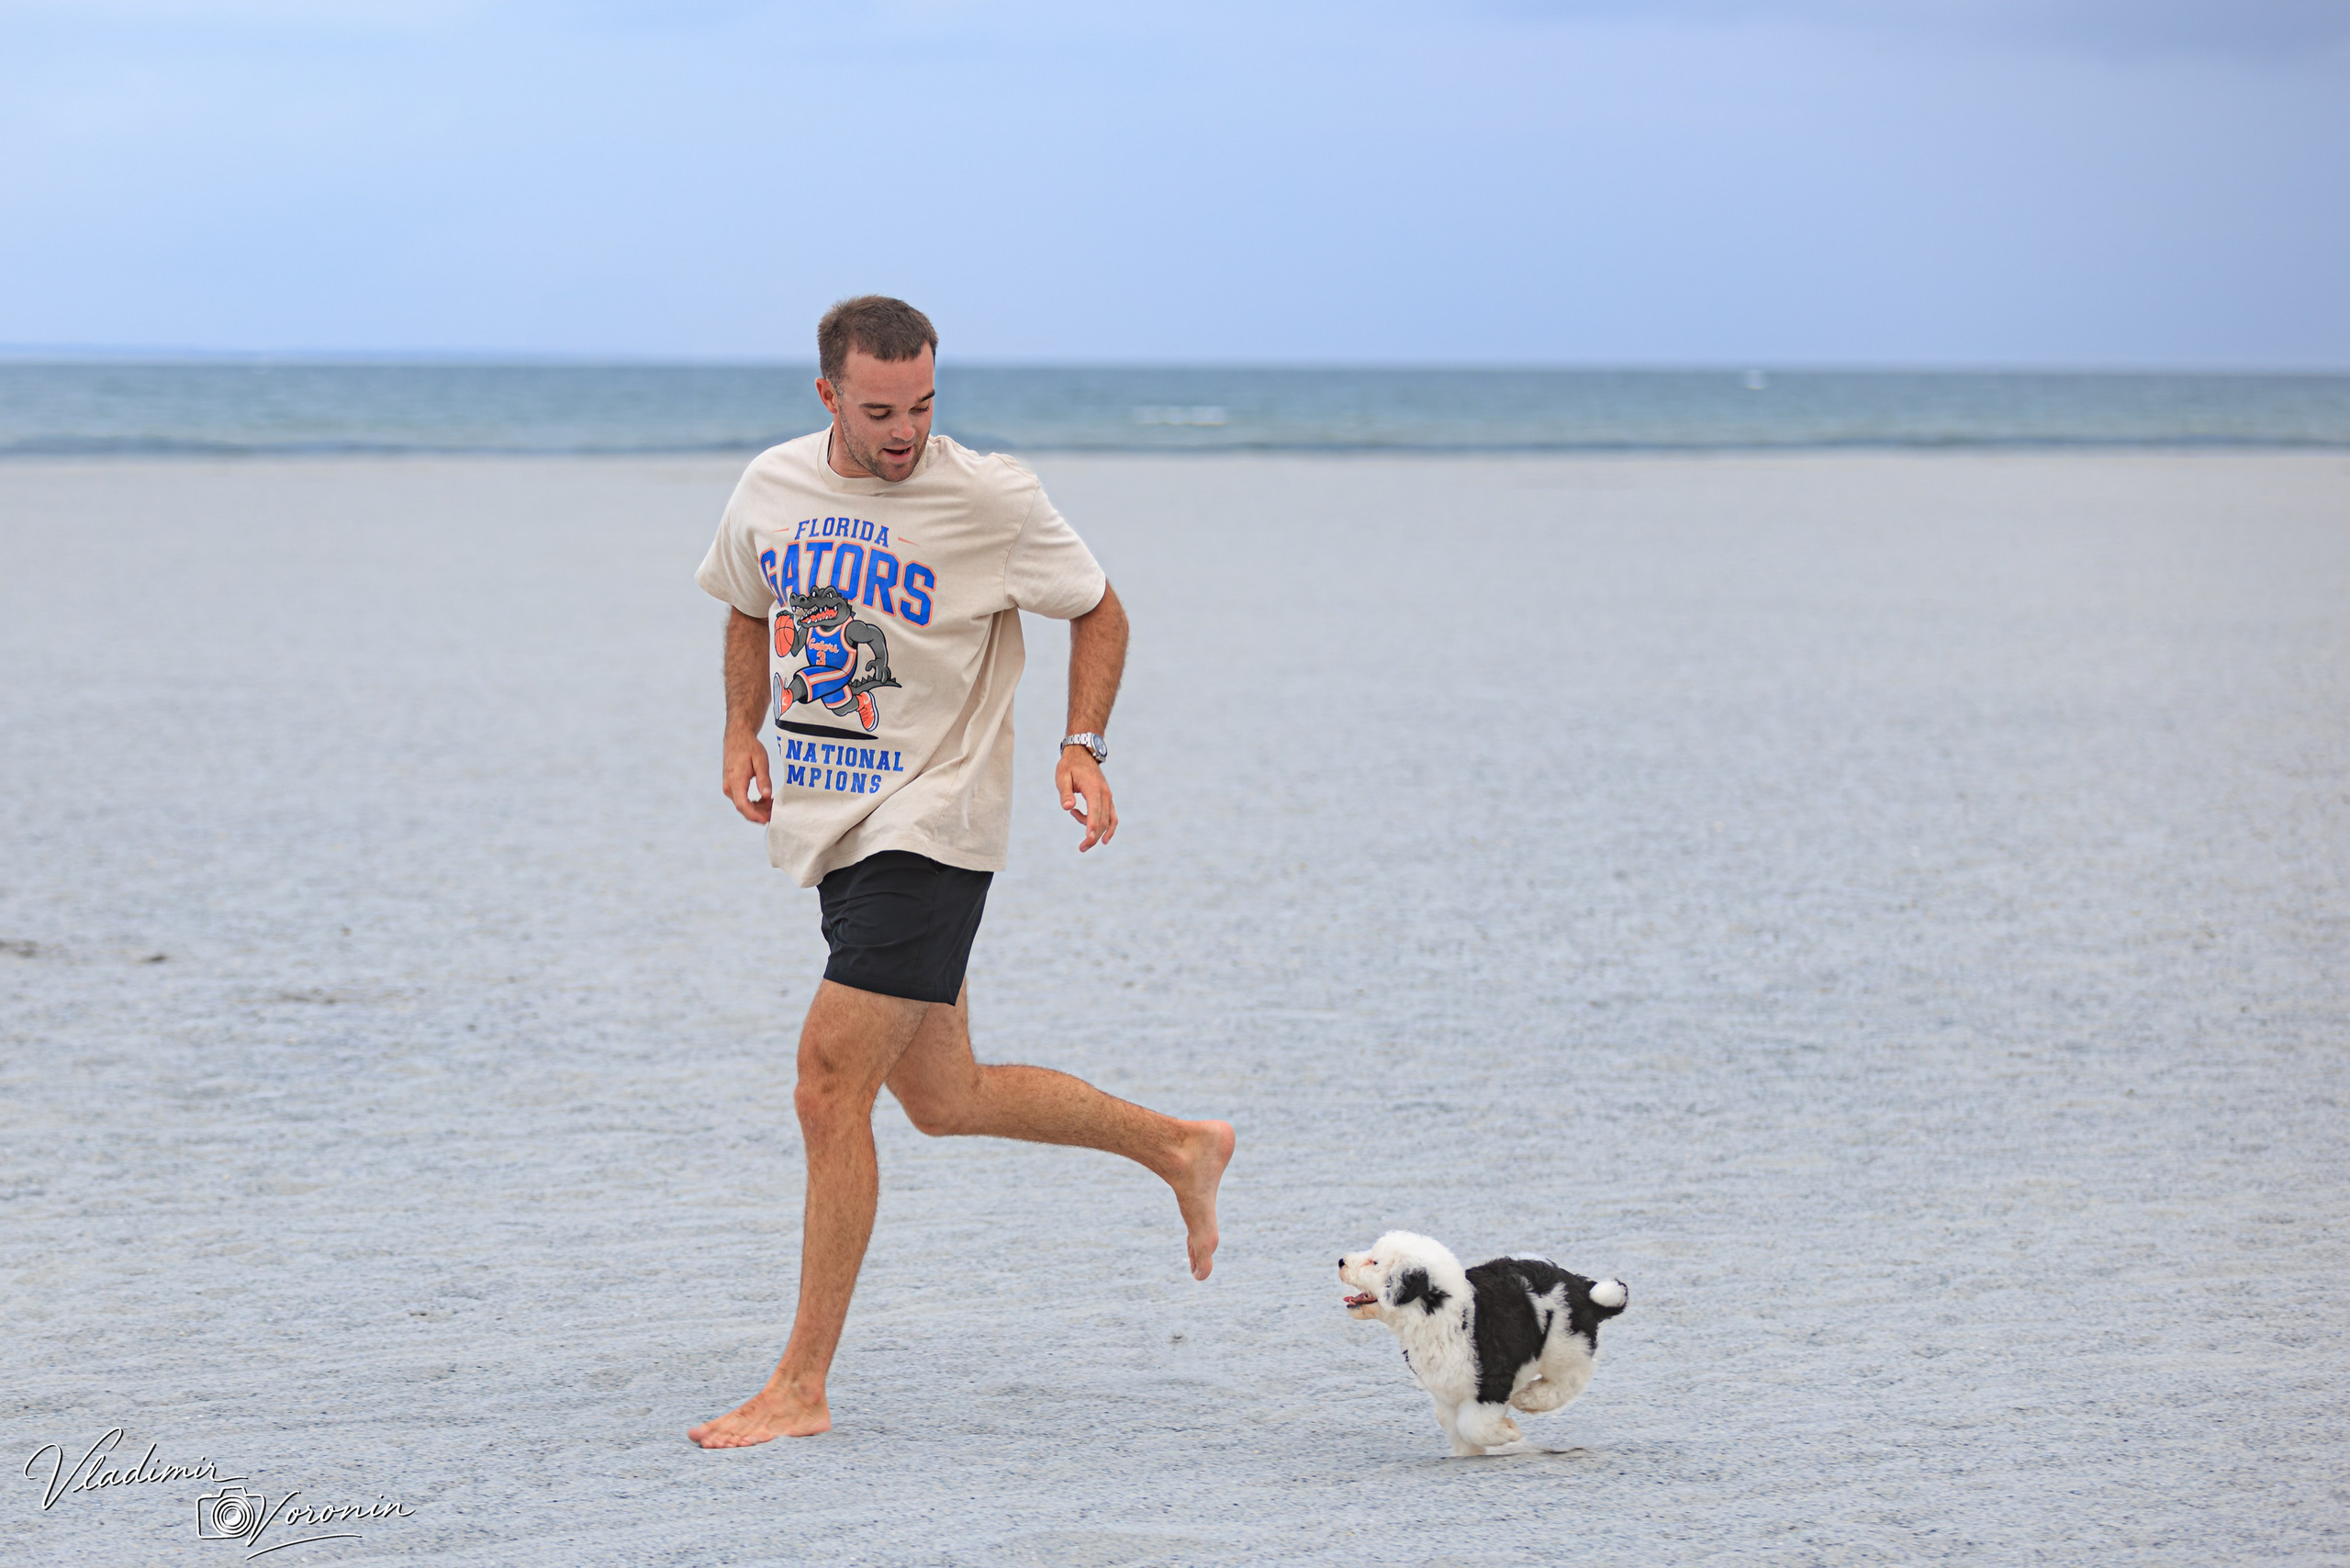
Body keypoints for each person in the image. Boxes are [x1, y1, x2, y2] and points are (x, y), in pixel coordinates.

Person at [686, 297, 1236, 1449]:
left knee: (826, 1084)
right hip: (835, 823)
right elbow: (746, 604)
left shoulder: (989, 497)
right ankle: (1179, 1144)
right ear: (827, 394)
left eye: (925, 404)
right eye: (881, 409)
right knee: (943, 1097)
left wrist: (1081, 746)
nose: (906, 430)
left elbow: (1101, 609)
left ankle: (801, 1385)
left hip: (935, 825)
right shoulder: (772, 487)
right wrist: (742, 732)